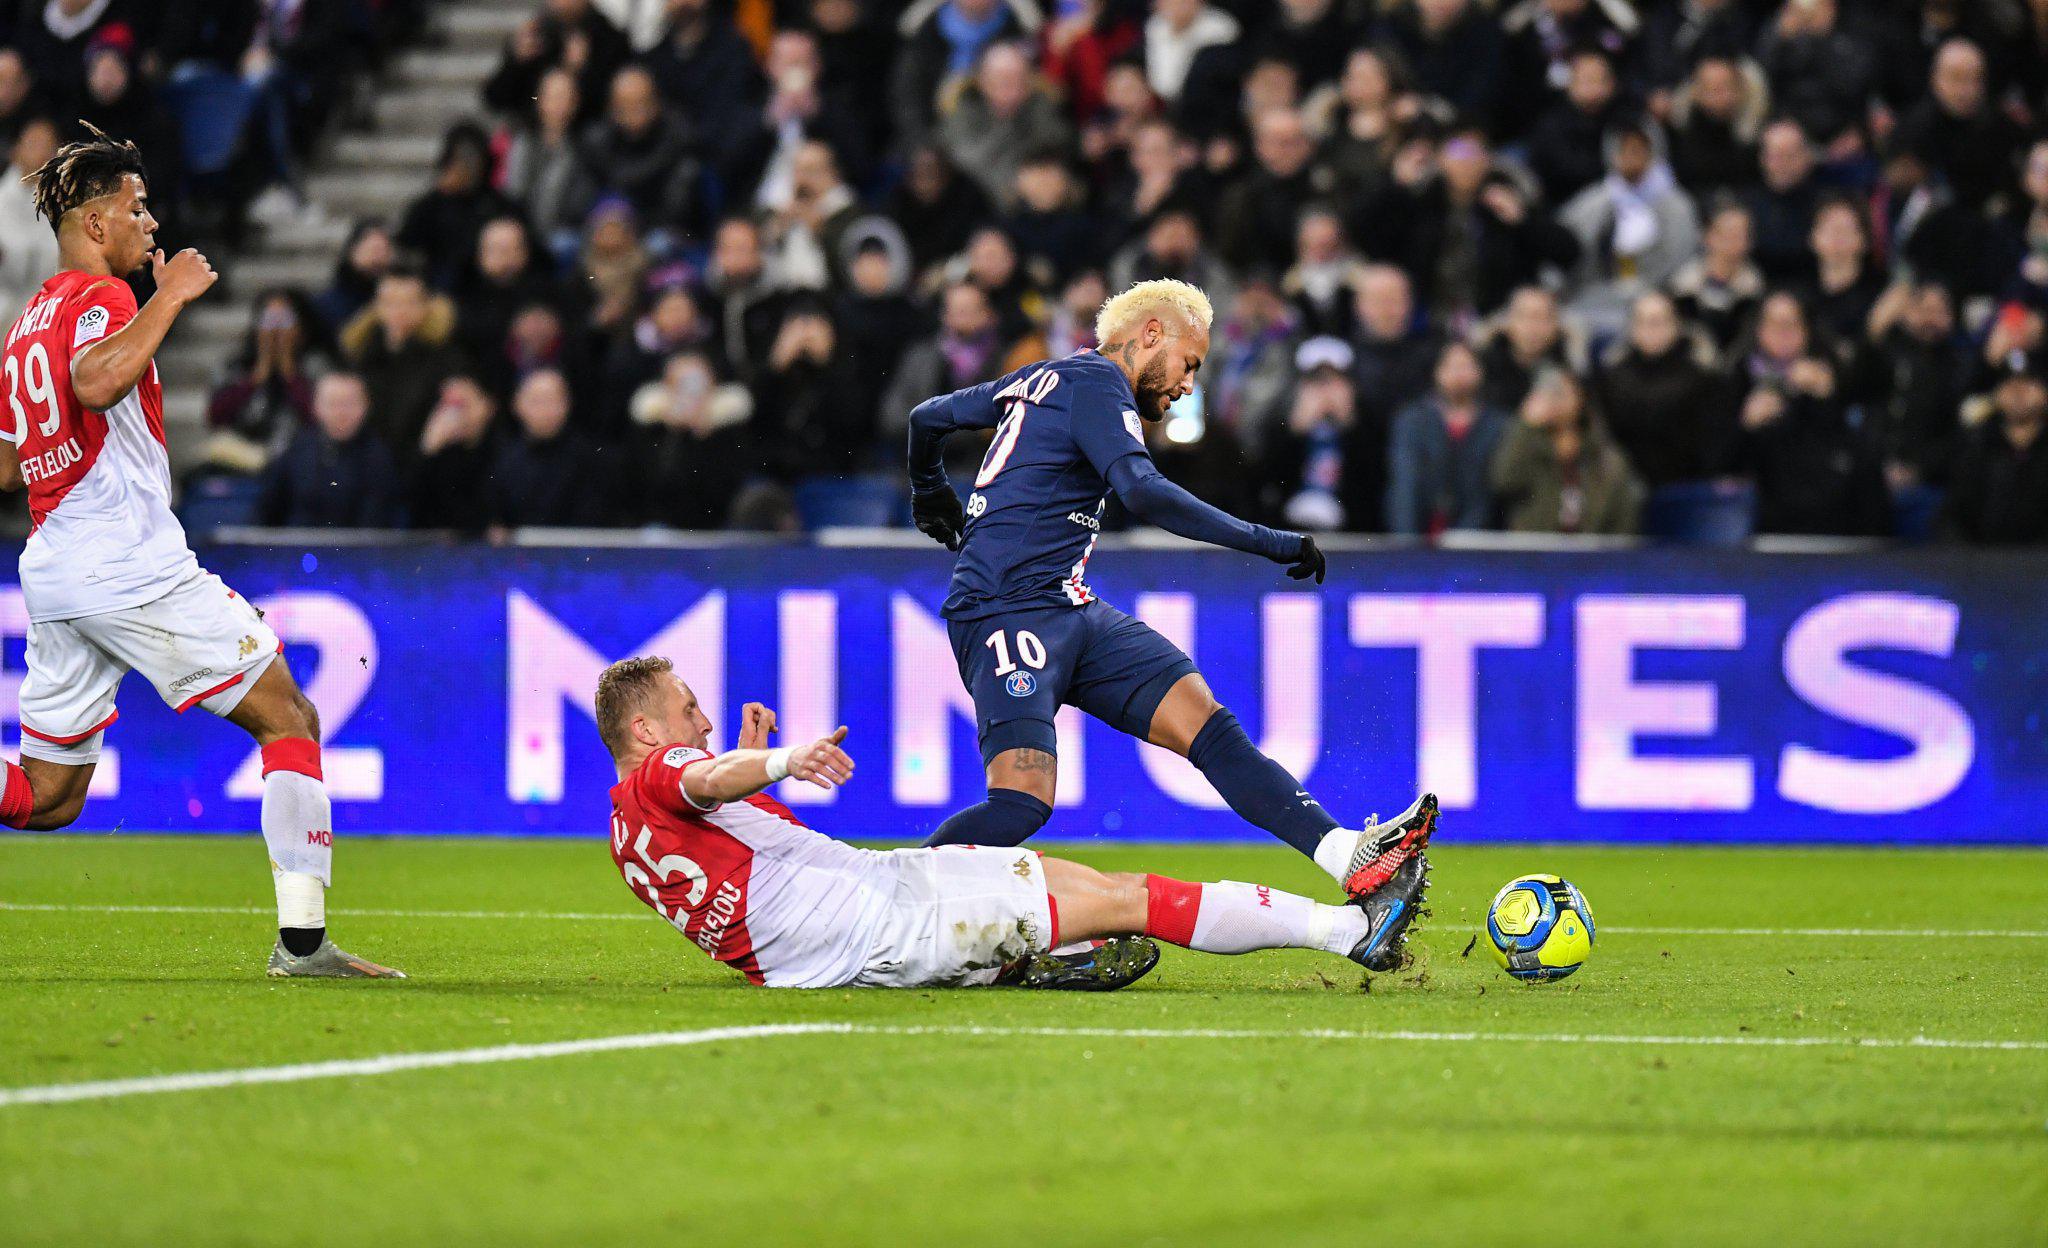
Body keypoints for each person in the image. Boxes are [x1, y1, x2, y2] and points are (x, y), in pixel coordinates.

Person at [0, 125, 400, 978]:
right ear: (96, 223)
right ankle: (304, 944)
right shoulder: (99, 299)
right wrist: (172, 295)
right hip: (125, 561)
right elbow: (98, 381)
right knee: (290, 716)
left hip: (57, 566)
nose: (151, 224)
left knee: (48, 798)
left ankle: (305, 940)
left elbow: (8, 460)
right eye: (137, 208)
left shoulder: (26, 323)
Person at [905, 278, 1438, 905]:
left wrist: (927, 486)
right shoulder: (1097, 384)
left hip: (1065, 605)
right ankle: (886, 906)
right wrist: (1272, 542)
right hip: (1003, 610)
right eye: (1190, 363)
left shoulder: (1042, 378)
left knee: (1206, 724)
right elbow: (1143, 492)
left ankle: (1350, 857)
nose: (1188, 384)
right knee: (1021, 805)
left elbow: (929, 419)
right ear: (1151, 333)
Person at [597, 657, 1431, 987]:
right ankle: (1351, 930)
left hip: (851, 925)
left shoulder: (625, 828)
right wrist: (775, 761)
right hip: (886, 917)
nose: (700, 721)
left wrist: (749, 772)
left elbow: (739, 843)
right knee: (1131, 895)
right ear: (644, 732)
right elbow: (700, 774)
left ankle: (1025, 962)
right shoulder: (666, 772)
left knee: (1098, 890)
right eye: (687, 708)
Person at [1385, 339, 1510, 535]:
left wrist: (1461, 539)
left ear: (1480, 371)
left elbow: (1488, 493)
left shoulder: (1498, 424)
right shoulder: (1412, 419)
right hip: (1417, 535)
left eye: (1466, 366)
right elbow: (1405, 485)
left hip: (1476, 540)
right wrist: (1406, 541)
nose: (1459, 374)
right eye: (1451, 366)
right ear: (1437, 371)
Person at [256, 372, 398, 527]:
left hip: (354, 548)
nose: (341, 412)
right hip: (299, 547)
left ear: (366, 406)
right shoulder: (296, 451)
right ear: (316, 407)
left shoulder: (379, 459)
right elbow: (265, 513)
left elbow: (374, 526)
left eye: (349, 403)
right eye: (333, 403)